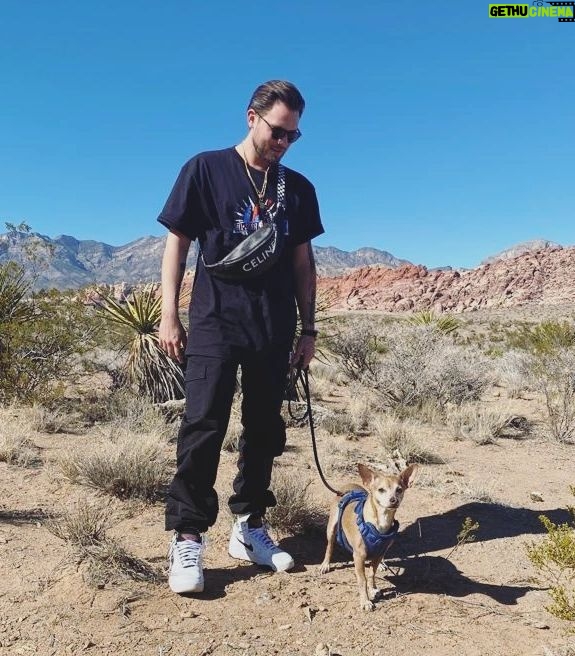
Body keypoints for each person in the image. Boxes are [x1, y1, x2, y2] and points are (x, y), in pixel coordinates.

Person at [157, 80, 324, 594]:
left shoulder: (296, 188)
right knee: (203, 425)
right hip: (213, 321)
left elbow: (303, 263)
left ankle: (249, 526)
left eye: (294, 137)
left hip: (273, 328)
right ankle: (188, 536)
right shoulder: (205, 169)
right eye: (278, 132)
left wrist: (308, 328)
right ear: (252, 117)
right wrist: (169, 314)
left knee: (264, 430)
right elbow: (176, 244)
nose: (284, 144)